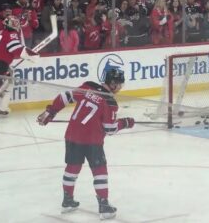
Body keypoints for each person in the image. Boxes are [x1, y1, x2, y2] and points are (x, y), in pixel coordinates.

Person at [36, 68, 135, 220]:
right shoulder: (110, 102)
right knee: (99, 170)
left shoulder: (88, 86)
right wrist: (125, 123)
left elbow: (65, 96)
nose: (121, 88)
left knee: (72, 167)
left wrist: (51, 111)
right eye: (120, 84)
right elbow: (110, 129)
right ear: (113, 84)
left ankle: (67, 201)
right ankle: (104, 206)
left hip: (72, 135)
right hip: (92, 141)